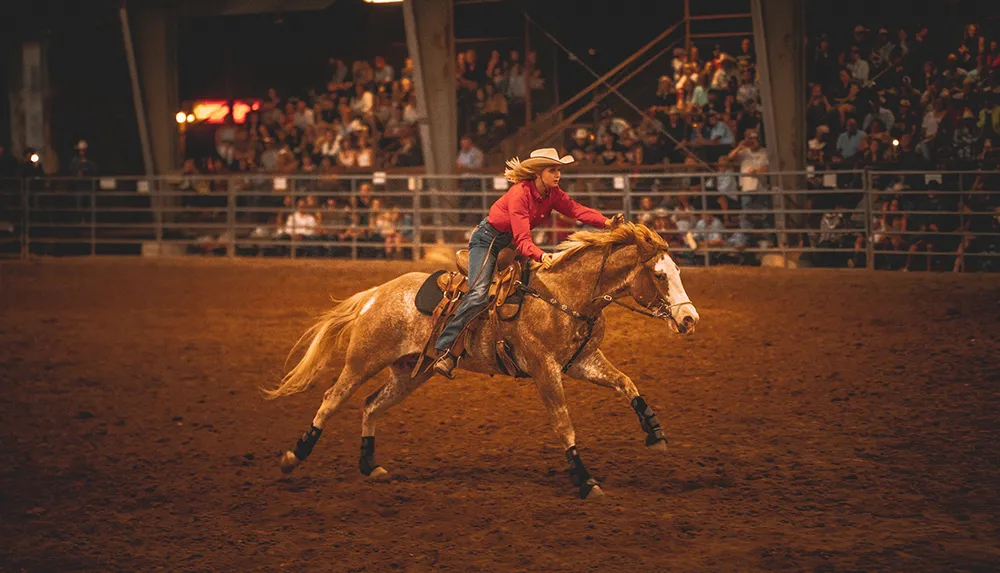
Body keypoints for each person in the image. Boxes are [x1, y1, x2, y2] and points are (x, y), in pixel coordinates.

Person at [433, 148, 624, 378]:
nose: (557, 175)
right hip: (488, 241)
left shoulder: (552, 193)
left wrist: (606, 223)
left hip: (511, 243)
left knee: (533, 289)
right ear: (538, 173)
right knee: (479, 293)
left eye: (558, 170)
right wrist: (542, 255)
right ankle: (446, 347)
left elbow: (575, 210)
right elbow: (524, 241)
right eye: (552, 170)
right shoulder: (519, 195)